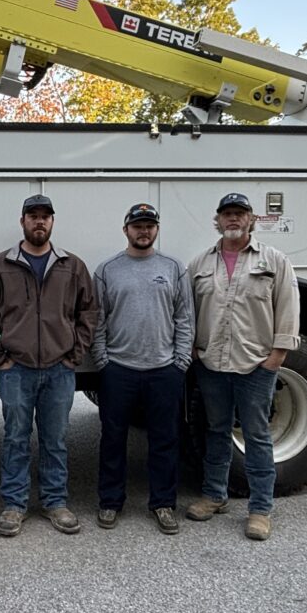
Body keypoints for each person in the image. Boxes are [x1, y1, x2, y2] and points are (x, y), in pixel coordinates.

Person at [0, 194, 98, 537]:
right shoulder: (0, 265)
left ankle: (56, 502)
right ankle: (14, 505)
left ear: (53, 222)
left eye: (45, 216)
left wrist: (75, 354)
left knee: (55, 439)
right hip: (16, 370)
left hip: (60, 369)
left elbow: (89, 311)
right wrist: (0, 356)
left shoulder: (72, 266)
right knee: (15, 437)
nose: (39, 222)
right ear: (22, 222)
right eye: (33, 216)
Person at [186, 193, 300, 541]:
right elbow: (188, 308)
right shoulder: (200, 263)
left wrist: (278, 354)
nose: (233, 219)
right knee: (216, 430)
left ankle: (260, 509)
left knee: (256, 435)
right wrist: (191, 347)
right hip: (212, 363)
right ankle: (215, 495)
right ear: (217, 221)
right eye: (227, 214)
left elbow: (288, 305)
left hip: (255, 365)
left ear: (251, 220)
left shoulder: (274, 261)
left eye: (240, 214)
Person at [91, 203, 194, 535]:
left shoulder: (173, 267)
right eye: (137, 225)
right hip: (118, 369)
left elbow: (185, 319)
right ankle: (110, 502)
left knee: (165, 440)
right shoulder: (107, 270)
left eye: (149, 225)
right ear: (126, 230)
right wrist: (103, 361)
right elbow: (97, 322)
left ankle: (163, 504)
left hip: (164, 370)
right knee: (113, 439)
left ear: (157, 230)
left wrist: (180, 363)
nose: (143, 230)